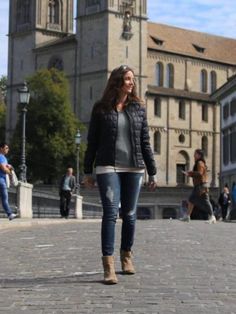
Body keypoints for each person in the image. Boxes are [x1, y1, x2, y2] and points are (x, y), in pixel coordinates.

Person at [83, 65, 157, 284]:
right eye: (127, 79)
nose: (131, 82)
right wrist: (88, 170)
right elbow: (92, 142)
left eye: (132, 79)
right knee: (110, 214)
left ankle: (127, 256)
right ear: (117, 81)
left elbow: (145, 142)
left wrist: (152, 172)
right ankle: (108, 265)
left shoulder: (139, 108)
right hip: (108, 167)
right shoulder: (100, 109)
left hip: (134, 167)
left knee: (130, 214)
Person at [180, 149, 216, 224]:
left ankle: (212, 216)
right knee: (195, 200)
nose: (194, 155)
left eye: (195, 154)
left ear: (199, 155)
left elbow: (200, 173)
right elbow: (198, 174)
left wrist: (190, 173)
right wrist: (190, 174)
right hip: (200, 185)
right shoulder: (199, 163)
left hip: (201, 185)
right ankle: (188, 216)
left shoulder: (200, 163)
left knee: (196, 200)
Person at [0, 142, 17, 220]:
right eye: (6, 148)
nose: (8, 149)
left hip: (2, 179)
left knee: (4, 198)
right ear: (1, 148)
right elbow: (3, 168)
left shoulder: (3, 158)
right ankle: (9, 214)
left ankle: (9, 214)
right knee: (5, 198)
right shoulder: (1, 157)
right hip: (1, 180)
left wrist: (9, 166)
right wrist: (10, 173)